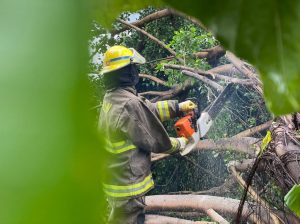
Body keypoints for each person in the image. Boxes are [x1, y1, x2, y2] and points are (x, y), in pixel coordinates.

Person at [98, 45, 196, 224]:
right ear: (126, 72)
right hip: (128, 184)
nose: (136, 71)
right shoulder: (129, 104)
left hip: (116, 179)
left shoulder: (113, 97)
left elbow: (145, 111)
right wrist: (181, 143)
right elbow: (157, 141)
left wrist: (178, 107)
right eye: (133, 67)